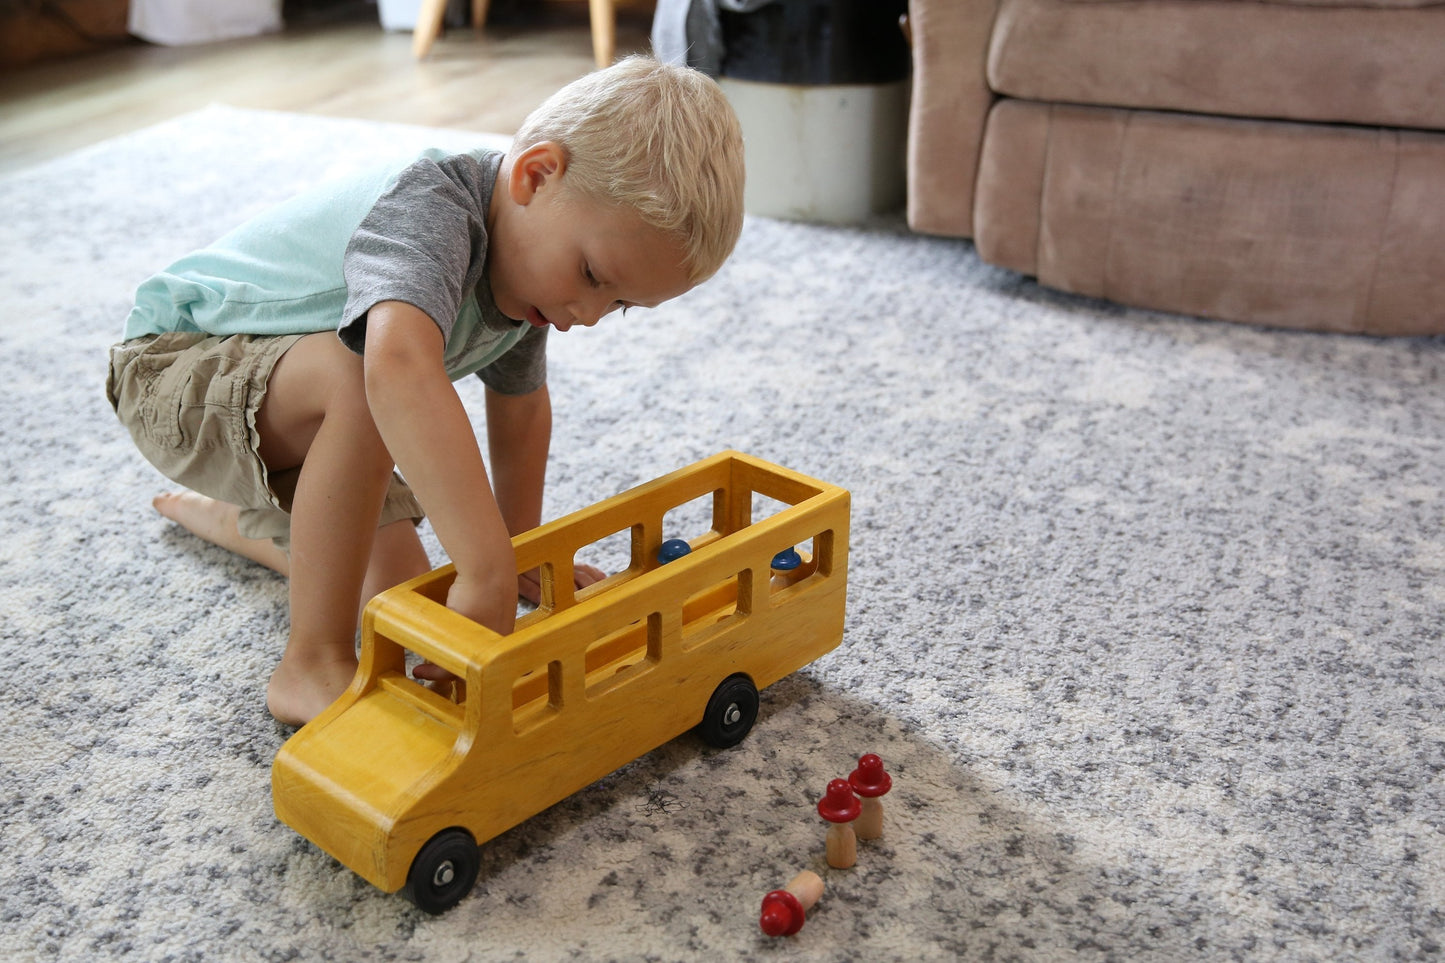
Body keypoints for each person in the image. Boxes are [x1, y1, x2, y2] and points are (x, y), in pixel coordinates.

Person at [105, 56, 747, 727]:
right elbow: (396, 365)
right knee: (359, 369)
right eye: (591, 274)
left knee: (407, 605)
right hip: (172, 373)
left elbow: (520, 408)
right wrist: (486, 565)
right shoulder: (433, 206)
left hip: (284, 420)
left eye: (619, 304)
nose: (587, 312)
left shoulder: (532, 279)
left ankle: (248, 521)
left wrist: (520, 547)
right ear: (535, 175)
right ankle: (311, 659)